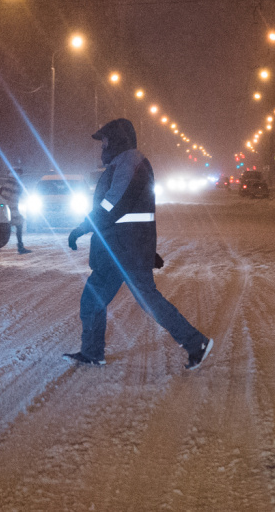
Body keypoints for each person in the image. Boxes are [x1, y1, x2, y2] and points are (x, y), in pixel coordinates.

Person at [64, 118, 212, 370]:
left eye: (106, 141)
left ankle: (195, 343)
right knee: (92, 300)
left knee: (148, 301)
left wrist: (83, 227)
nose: (103, 147)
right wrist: (146, 248)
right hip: (116, 249)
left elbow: (113, 205)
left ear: (118, 140)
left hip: (124, 251)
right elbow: (132, 211)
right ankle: (92, 352)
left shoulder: (130, 162)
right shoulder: (122, 164)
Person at [0, 176, 31, 254]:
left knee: (6, 226)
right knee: (18, 225)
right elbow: (13, 195)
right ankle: (20, 247)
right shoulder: (14, 184)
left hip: (8, 208)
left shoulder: (8, 184)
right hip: (11, 208)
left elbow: (1, 194)